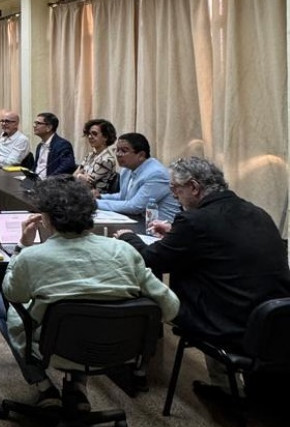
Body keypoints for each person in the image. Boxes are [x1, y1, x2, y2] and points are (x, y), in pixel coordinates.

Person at [0, 176, 179, 409]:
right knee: (86, 311)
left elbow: (13, 294)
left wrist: (22, 246)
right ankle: (77, 388)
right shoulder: (124, 251)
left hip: (58, 349)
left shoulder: (32, 257)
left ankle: (43, 385)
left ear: (46, 219)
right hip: (120, 348)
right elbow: (170, 307)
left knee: (0, 302)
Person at [116, 157, 290, 395]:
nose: (174, 197)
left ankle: (135, 363)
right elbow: (223, 241)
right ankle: (228, 385)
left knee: (150, 288)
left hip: (225, 323)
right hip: (273, 321)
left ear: (194, 187)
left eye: (175, 190)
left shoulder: (195, 221)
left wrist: (128, 236)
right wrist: (176, 233)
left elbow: (152, 259)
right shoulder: (257, 212)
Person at [96, 132, 180, 222]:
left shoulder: (156, 174)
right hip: (136, 221)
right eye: (117, 150)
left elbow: (135, 207)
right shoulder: (127, 169)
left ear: (141, 155)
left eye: (124, 151)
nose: (118, 154)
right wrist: (100, 197)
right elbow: (123, 197)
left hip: (159, 229)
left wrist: (94, 203)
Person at [74, 119, 118, 193]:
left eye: (94, 134)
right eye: (89, 134)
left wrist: (79, 175)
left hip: (95, 198)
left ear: (105, 137)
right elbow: (74, 175)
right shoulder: (90, 155)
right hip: (81, 193)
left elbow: (87, 183)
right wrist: (80, 176)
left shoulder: (107, 160)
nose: (90, 137)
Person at [31, 112, 76, 179]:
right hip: (36, 183)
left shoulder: (62, 144)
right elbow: (36, 167)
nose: (34, 126)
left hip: (52, 185)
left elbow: (67, 166)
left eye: (38, 123)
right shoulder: (40, 146)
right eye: (35, 123)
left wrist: (49, 180)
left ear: (49, 127)